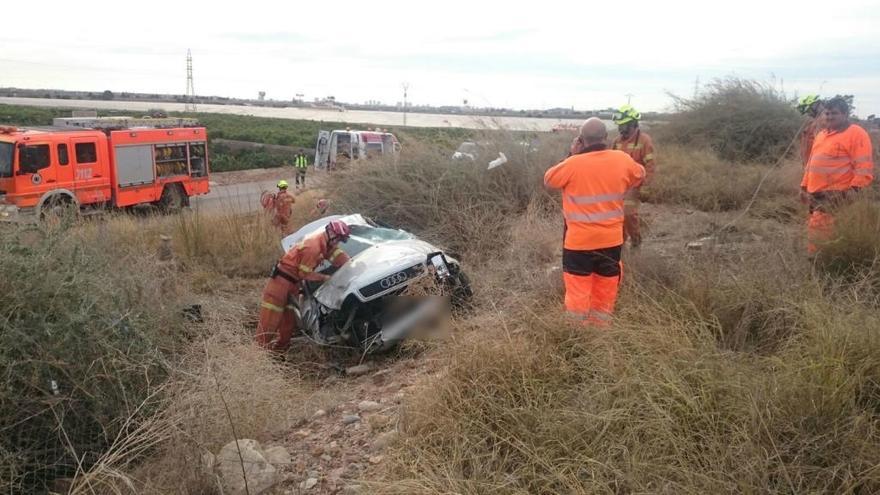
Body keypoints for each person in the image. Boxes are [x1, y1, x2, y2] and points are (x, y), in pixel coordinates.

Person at [544, 117, 645, 326]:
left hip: (578, 244)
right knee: (605, 291)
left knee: (578, 294)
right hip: (611, 242)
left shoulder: (572, 164)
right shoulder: (622, 159)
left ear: (581, 140)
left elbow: (549, 180)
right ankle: (600, 335)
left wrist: (572, 154)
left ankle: (576, 335)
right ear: (606, 138)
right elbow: (640, 175)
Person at [255, 220, 352, 351]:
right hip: (280, 284)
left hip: (292, 285)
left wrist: (353, 264)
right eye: (337, 238)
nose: (337, 242)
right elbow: (304, 274)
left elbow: (337, 255)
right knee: (269, 323)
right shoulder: (313, 246)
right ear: (330, 232)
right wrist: (325, 278)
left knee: (288, 322)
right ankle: (258, 354)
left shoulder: (325, 244)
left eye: (340, 240)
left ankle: (279, 351)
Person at [800, 95, 874, 254]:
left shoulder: (856, 134)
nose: (829, 116)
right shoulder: (822, 135)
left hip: (836, 194)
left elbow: (864, 166)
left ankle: (820, 261)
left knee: (821, 230)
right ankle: (823, 259)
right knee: (819, 228)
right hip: (815, 192)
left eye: (834, 113)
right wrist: (803, 186)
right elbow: (812, 163)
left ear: (845, 114)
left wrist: (854, 190)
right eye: (827, 113)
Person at [611, 104, 656, 248]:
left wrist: (646, 187)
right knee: (617, 216)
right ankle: (620, 244)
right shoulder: (617, 142)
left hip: (635, 185)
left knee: (629, 214)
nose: (619, 128)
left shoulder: (644, 140)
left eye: (622, 125)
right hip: (618, 185)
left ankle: (636, 241)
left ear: (631, 123)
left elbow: (651, 165)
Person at [797, 94, 825, 168]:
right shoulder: (815, 122)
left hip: (818, 165)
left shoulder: (824, 122)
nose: (809, 114)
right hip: (811, 164)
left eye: (809, 110)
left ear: (815, 106)